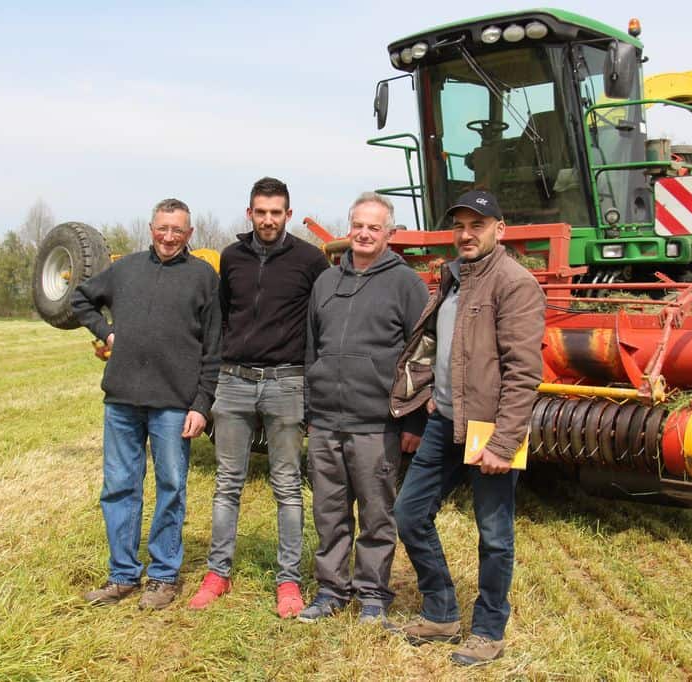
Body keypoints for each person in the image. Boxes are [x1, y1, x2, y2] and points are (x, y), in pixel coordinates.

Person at [387, 190, 546, 666]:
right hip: (445, 420)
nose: (466, 234)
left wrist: (504, 440)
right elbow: (444, 346)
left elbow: (523, 371)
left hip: (490, 428)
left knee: (494, 533)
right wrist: (432, 394)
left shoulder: (514, 283)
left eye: (477, 224)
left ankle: (489, 629)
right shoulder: (453, 279)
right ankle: (440, 611)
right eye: (459, 225)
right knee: (409, 514)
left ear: (501, 229)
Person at [188, 177, 329, 618]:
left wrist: (311, 386)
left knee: (287, 487)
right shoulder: (231, 258)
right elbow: (221, 319)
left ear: (288, 214)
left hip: (288, 383)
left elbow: (319, 325)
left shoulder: (311, 261)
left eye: (276, 212)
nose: (268, 220)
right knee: (227, 483)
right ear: (249, 214)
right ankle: (218, 572)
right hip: (234, 382)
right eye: (260, 212)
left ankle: (288, 580)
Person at [71, 198, 221, 610]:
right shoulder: (125, 269)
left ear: (190, 234)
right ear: (150, 228)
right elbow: (81, 299)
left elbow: (214, 347)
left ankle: (163, 576)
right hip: (122, 400)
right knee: (119, 487)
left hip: (174, 403)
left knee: (171, 487)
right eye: (162, 228)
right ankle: (121, 575)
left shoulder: (204, 277)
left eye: (178, 230)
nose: (169, 237)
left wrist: (202, 404)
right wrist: (106, 331)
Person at [298, 193, 429, 625]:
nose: (365, 233)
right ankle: (331, 590)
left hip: (377, 424)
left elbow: (421, 355)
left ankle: (373, 595)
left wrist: (412, 419)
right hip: (326, 422)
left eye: (374, 227)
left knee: (376, 515)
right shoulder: (325, 283)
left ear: (390, 233)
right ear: (348, 228)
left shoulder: (406, 284)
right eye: (358, 225)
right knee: (329, 513)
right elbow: (310, 348)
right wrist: (310, 409)